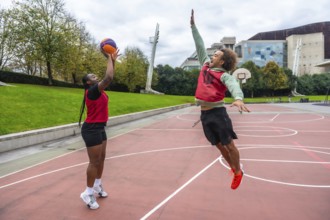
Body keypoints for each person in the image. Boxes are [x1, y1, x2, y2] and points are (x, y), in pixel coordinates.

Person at [190, 9, 250, 190]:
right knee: (217, 145)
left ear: (222, 62)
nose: (212, 56)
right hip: (205, 115)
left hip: (218, 113)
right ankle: (233, 168)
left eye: (216, 55)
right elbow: (199, 45)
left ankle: (238, 172)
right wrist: (193, 26)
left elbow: (234, 86)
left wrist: (238, 98)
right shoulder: (205, 66)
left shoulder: (223, 75)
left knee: (229, 145)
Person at [78, 48, 120, 209]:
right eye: (93, 77)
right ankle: (87, 193)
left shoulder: (98, 90)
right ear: (88, 82)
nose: (96, 77)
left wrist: (113, 61)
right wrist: (109, 58)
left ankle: (97, 185)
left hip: (100, 128)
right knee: (94, 162)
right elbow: (108, 77)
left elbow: (108, 77)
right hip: (91, 130)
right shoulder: (92, 92)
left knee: (101, 159)